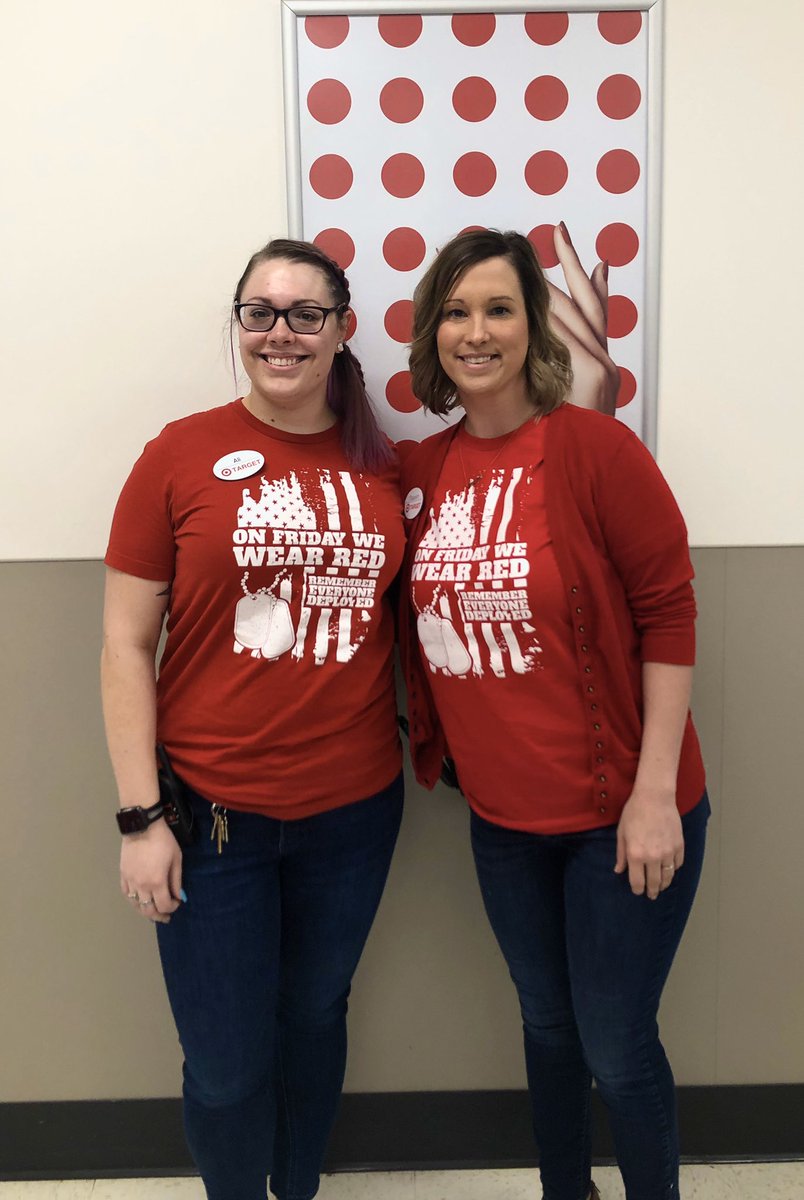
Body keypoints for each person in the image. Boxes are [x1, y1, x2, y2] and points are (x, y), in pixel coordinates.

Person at [399, 226, 708, 1200]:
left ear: (533, 327)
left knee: (616, 1046)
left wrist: (654, 796)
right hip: (503, 821)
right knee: (546, 1028)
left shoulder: (594, 449)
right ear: (431, 333)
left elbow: (668, 615)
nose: (475, 331)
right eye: (455, 311)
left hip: (624, 813)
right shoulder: (421, 472)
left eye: (498, 308)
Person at [101, 238, 405, 1200]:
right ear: (237, 327)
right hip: (212, 816)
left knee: (315, 1018)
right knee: (228, 1061)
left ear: (343, 330)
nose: (280, 333)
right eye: (258, 313)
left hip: (354, 812)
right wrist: (142, 819)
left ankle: (299, 1189)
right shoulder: (177, 454)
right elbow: (122, 649)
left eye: (305, 314)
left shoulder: (386, 469)